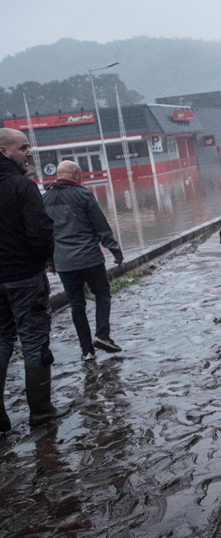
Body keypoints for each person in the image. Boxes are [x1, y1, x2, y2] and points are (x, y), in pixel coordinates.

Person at [0, 128, 70, 431]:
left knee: (2, 339)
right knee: (33, 340)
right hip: (25, 278)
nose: (29, 152)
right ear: (4, 151)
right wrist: (42, 260)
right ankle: (41, 412)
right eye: (23, 147)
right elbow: (40, 232)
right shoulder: (21, 186)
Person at [43, 161, 123, 361]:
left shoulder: (44, 199)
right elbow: (101, 226)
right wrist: (115, 250)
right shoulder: (83, 195)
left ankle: (86, 350)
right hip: (90, 259)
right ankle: (102, 335)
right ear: (77, 174)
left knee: (76, 305)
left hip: (64, 264)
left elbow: (43, 234)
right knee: (102, 294)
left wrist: (49, 261)